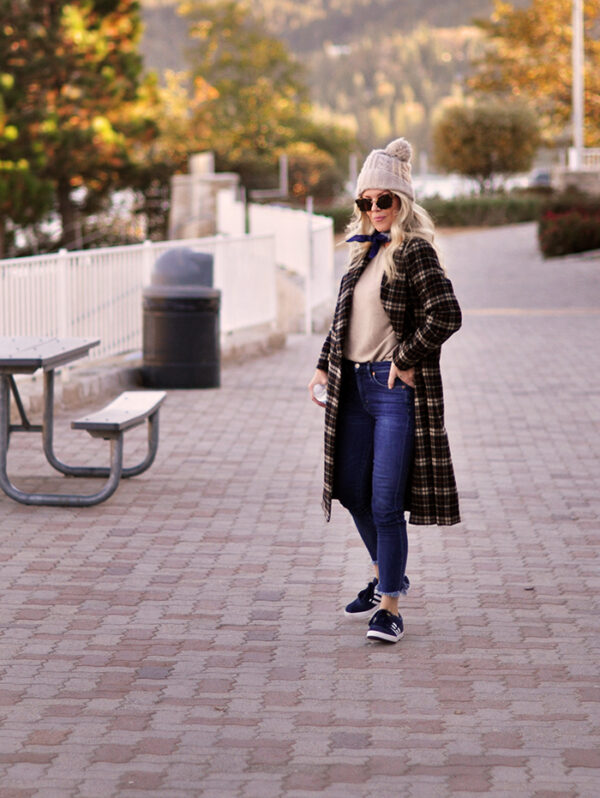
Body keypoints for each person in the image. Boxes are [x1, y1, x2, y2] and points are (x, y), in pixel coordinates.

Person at [308, 137, 462, 644]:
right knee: (351, 490)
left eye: (384, 200)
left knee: (384, 503)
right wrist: (322, 367)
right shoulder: (361, 253)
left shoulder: (414, 250)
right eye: (365, 201)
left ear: (403, 201)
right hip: (352, 387)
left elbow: (447, 314)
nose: (374, 209)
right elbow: (343, 320)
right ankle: (384, 575)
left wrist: (405, 357)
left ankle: (390, 607)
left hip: (392, 391)